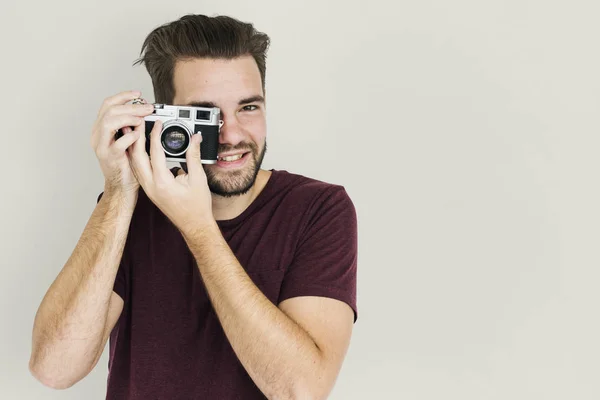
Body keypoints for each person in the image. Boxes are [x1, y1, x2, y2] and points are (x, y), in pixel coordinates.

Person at [29, 14, 358, 399]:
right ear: (164, 119)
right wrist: (118, 190)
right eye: (206, 115)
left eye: (248, 108)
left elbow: (300, 390)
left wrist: (199, 230)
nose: (231, 135)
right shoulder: (130, 209)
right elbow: (54, 369)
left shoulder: (318, 209)